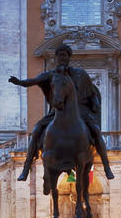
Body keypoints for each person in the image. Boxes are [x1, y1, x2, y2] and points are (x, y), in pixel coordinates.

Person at [10, 43, 112, 182]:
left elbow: (91, 93)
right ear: (56, 58)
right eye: (59, 56)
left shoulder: (80, 74)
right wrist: (20, 82)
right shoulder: (51, 75)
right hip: (56, 112)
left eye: (64, 55)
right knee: (36, 131)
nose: (62, 58)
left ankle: (106, 167)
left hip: (80, 112)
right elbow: (33, 81)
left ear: (69, 58)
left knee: (96, 131)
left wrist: (95, 103)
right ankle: (26, 169)